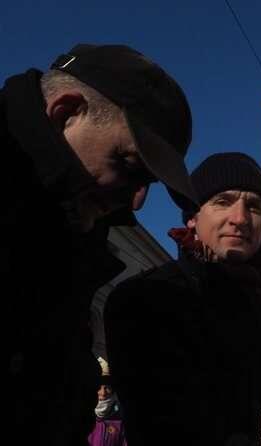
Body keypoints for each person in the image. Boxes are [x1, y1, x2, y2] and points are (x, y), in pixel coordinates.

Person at [3, 44, 196, 445]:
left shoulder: (76, 235)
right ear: (66, 114)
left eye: (148, 184)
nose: (136, 202)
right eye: (127, 165)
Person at [105, 153, 261, 445]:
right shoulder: (147, 299)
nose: (240, 218)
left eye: (254, 206)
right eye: (223, 202)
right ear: (192, 217)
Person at [88, 357, 127, 446]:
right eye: (99, 388)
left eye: (107, 388)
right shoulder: (81, 417)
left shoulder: (121, 421)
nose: (103, 393)